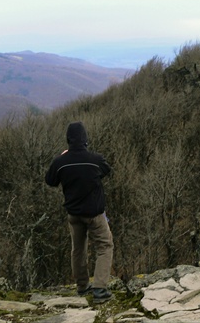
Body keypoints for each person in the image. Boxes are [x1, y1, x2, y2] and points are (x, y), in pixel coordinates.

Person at [45, 121, 114, 304]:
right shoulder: (95, 159)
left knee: (78, 249)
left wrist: (63, 157)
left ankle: (82, 286)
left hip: (74, 214)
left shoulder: (60, 162)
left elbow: (50, 181)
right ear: (85, 139)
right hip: (95, 214)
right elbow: (106, 170)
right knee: (105, 246)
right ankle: (100, 289)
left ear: (68, 140)